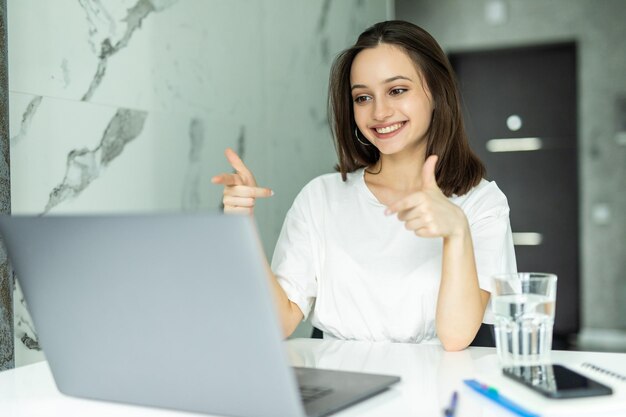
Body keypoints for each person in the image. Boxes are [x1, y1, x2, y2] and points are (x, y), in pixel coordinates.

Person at [211, 20, 516, 351]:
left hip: (432, 391)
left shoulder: (482, 203)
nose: (380, 112)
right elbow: (278, 323)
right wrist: (241, 224)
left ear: (437, 92)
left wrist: (456, 232)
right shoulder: (320, 197)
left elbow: (457, 338)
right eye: (362, 97)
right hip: (338, 388)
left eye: (397, 90)